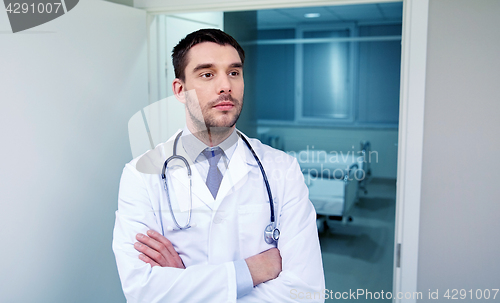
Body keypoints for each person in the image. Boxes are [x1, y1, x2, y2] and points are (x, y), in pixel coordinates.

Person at [112, 28, 325, 302]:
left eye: (234, 73)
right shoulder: (141, 174)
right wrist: (252, 270)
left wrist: (185, 283)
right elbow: (142, 290)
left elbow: (306, 291)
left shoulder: (281, 169)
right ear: (180, 90)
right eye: (207, 74)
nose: (225, 85)